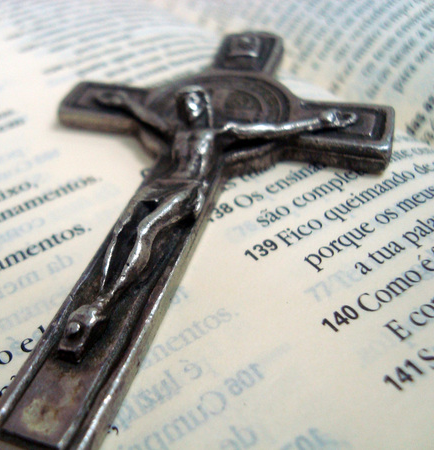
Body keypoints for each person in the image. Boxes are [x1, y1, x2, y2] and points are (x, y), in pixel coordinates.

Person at [58, 85, 356, 361]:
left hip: (189, 187)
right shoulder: (175, 131)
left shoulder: (221, 132)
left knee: (147, 229)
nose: (188, 107)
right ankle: (100, 293)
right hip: (162, 183)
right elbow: (145, 116)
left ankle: (106, 301)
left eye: (192, 101)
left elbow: (271, 130)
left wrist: (319, 123)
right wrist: (122, 101)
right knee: (123, 229)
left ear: (203, 105)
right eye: (183, 103)